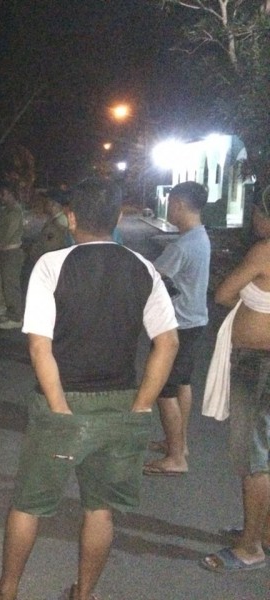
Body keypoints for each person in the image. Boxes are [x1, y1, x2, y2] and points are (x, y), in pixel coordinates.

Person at [0, 178, 178, 600]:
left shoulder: (52, 265)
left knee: (29, 503)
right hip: (121, 401)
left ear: (71, 218)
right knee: (100, 508)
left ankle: (8, 589)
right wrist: (142, 406)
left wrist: (58, 407)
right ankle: (83, 594)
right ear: (119, 216)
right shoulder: (143, 268)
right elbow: (167, 343)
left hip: (63, 401)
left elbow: (39, 346)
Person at [199, 193, 270, 573]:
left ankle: (250, 547)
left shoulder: (264, 250)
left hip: (257, 365)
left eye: (257, 210)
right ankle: (263, 531)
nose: (253, 217)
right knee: (266, 448)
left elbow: (225, 293)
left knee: (252, 457)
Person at [143, 181, 210, 476]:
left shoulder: (182, 246)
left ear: (180, 205)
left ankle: (176, 459)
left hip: (177, 325)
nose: (169, 209)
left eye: (171, 204)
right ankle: (179, 445)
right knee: (182, 384)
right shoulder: (200, 237)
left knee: (164, 389)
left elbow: (152, 276)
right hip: (195, 321)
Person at [0, 184, 25, 330]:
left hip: (11, 251)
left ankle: (16, 317)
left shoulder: (15, 211)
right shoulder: (8, 210)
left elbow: (9, 232)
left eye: (4, 194)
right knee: (7, 284)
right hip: (6, 251)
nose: (1, 198)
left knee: (11, 284)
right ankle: (12, 311)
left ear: (11, 194)